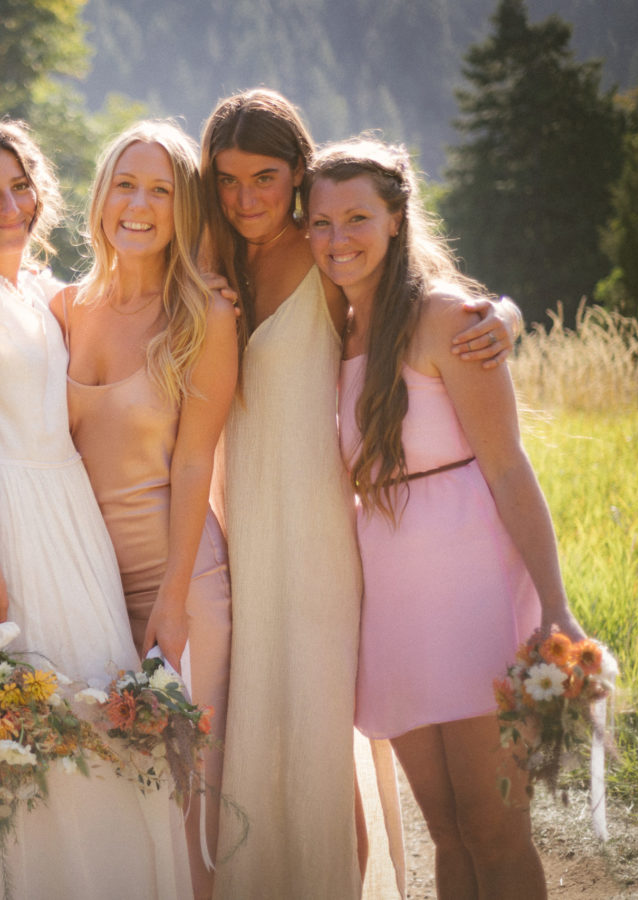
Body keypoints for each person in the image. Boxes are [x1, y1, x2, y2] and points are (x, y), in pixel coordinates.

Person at [198, 89, 520, 899]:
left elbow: (430, 296)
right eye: (228, 180)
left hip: (328, 534)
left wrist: (504, 317)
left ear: (301, 174)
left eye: (266, 178)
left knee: (317, 726)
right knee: (256, 721)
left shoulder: (326, 256)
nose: (246, 199)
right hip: (245, 525)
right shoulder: (216, 255)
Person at [0, 119, 190, 899]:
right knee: (30, 722)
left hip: (70, 513)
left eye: (19, 185)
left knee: (94, 712)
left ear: (42, 192)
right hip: (7, 516)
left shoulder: (39, 286)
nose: (6, 205)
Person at [309, 138, 585, 900]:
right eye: (321, 222)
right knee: (448, 833)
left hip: (474, 590)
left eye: (357, 217)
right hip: (394, 603)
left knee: (497, 830)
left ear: (397, 218)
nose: (337, 240)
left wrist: (556, 606)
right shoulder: (334, 328)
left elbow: (507, 468)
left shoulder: (448, 319)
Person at [54, 120, 236, 899]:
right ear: (100, 198)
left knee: (186, 802)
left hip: (181, 583)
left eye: (161, 190)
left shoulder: (204, 315)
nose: (140, 204)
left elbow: (196, 459)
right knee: (114, 796)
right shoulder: (61, 308)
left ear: (182, 209)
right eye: (126, 184)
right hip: (89, 589)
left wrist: (170, 600)